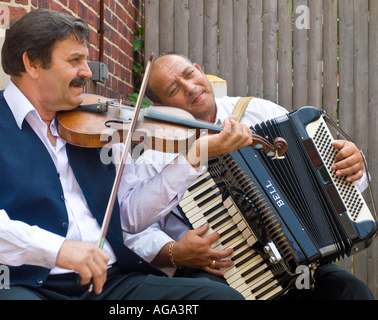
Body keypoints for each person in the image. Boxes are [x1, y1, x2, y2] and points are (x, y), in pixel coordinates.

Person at [0, 10, 254, 300]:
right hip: (17, 285)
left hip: (107, 287)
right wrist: (58, 250)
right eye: (74, 61)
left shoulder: (91, 128)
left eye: (86, 60)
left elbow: (126, 217)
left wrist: (192, 157)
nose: (87, 72)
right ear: (31, 63)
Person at [124, 52, 374, 300]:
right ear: (160, 107)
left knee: (351, 291)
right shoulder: (155, 157)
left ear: (200, 70)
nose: (190, 88)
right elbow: (131, 229)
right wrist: (174, 252)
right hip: (218, 273)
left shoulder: (257, 111)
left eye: (190, 74)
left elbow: (323, 178)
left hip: (297, 262)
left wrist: (351, 167)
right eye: (173, 89)